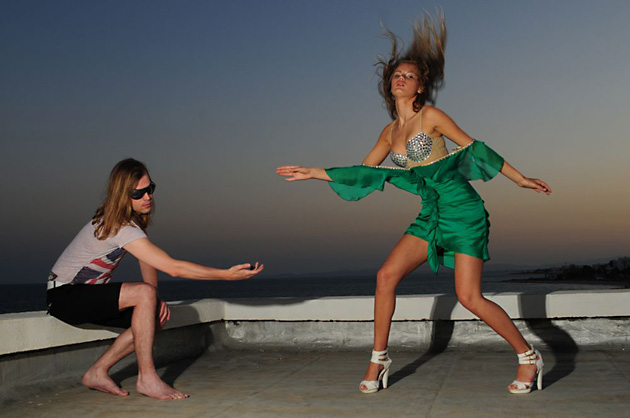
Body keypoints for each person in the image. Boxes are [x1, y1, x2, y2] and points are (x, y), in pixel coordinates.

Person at [277, 12, 551, 395]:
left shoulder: (432, 117)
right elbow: (364, 173)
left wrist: (519, 179)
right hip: (430, 214)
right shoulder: (389, 133)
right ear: (389, 85)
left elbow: (475, 148)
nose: (401, 78)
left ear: (421, 87)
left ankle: (528, 356)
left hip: (463, 211)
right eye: (396, 75)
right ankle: (379, 358)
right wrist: (314, 172)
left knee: (469, 297)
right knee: (385, 277)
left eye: (409, 76)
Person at [47, 158, 263, 400]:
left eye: (150, 189)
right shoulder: (118, 226)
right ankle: (147, 378)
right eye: (138, 193)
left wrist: (152, 301)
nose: (147, 197)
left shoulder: (132, 225)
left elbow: (147, 262)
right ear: (122, 195)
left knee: (154, 317)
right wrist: (225, 275)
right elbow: (173, 268)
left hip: (86, 295)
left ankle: (97, 372)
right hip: (64, 295)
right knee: (145, 297)